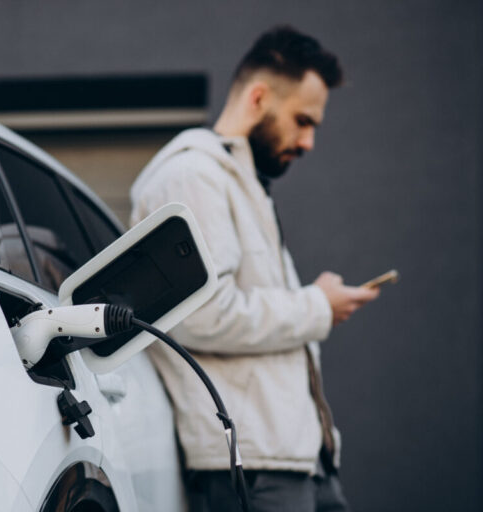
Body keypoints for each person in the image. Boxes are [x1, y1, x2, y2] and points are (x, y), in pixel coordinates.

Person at [129, 26, 380, 512]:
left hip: (297, 460)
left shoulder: (242, 183)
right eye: (302, 121)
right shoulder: (193, 175)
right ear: (260, 97)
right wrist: (317, 306)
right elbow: (197, 315)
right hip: (255, 466)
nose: (308, 142)